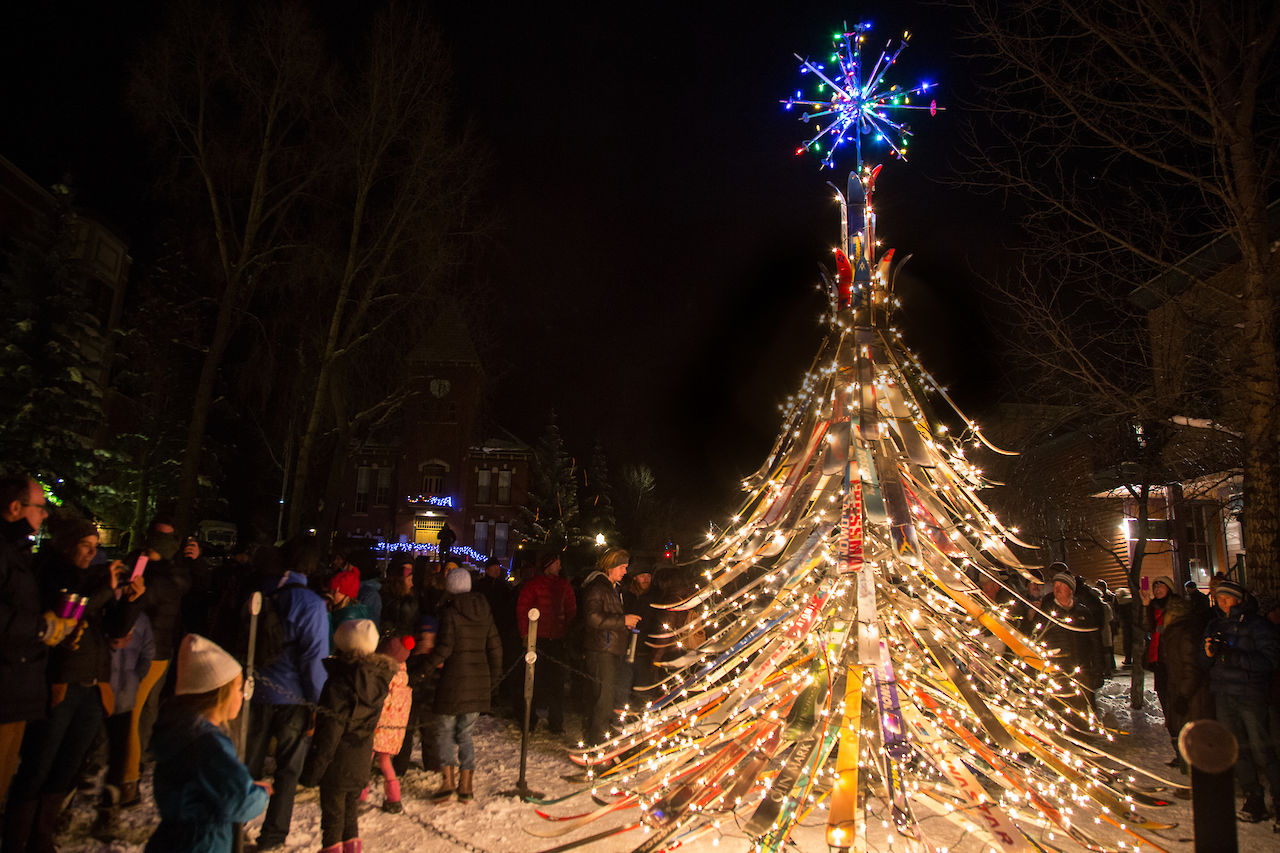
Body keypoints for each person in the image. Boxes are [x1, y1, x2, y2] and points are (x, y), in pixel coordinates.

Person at [4, 515, 143, 853]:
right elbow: (69, 615)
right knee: (39, 763)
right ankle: (15, 839)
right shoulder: (51, 573)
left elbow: (113, 629)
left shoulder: (90, 580)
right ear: (67, 544)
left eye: (96, 547)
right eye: (86, 545)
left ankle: (42, 836)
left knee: (68, 764)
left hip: (94, 684)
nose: (92, 553)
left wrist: (129, 601)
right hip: (61, 682)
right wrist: (105, 590)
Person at [145, 634, 269, 853]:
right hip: (203, 842)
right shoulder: (209, 744)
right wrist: (259, 795)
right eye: (239, 688)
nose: (242, 695)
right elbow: (238, 800)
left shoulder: (178, 730)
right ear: (220, 694)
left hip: (171, 838)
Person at [245, 536, 329, 852]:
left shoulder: (263, 592)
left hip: (255, 689)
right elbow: (313, 660)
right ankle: (273, 835)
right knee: (288, 770)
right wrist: (317, 702)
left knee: (247, 764)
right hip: (292, 695)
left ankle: (233, 825)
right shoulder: (311, 604)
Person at [0, 475, 71, 807]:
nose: (44, 515)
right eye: (40, 507)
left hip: (17, 687)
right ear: (16, 508)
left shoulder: (19, 553)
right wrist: (40, 626)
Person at [299, 619, 395, 853]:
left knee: (332, 825)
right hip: (359, 761)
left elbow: (329, 733)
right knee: (350, 821)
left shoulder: (340, 682)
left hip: (336, 766)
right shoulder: (376, 680)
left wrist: (313, 770)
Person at [124, 522, 194, 807]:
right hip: (156, 652)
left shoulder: (157, 578)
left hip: (146, 654)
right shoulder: (170, 573)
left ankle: (128, 777)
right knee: (140, 709)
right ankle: (134, 764)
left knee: (130, 713)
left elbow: (134, 605)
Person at [1200, 579, 1280, 823]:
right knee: (1236, 748)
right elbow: (1204, 663)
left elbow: (1270, 660)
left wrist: (1233, 655)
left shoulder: (1257, 625)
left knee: (1261, 748)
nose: (1222, 602)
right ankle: (1253, 797)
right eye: (1219, 597)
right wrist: (1208, 654)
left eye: (1227, 597)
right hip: (1224, 695)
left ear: (1238, 599)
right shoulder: (1215, 625)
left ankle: (1278, 799)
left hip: (1250, 694)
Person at [425, 566, 501, 803]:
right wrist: (494, 679)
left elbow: (444, 650)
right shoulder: (485, 611)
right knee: (466, 734)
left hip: (453, 682)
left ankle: (448, 781)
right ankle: (466, 785)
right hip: (478, 682)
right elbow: (495, 648)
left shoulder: (450, 612)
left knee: (445, 732)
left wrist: (421, 671)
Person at [92, 610, 155, 840]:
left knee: (119, 754)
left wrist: (134, 679)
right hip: (98, 692)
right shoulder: (104, 610)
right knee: (84, 750)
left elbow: (148, 652)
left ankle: (109, 811)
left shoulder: (140, 618)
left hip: (125, 696)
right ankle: (65, 806)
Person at [579, 548, 641, 747]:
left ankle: (598, 741)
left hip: (610, 649)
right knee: (602, 701)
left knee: (605, 699)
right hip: (601, 650)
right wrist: (623, 620)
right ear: (611, 566)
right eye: (622, 567)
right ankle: (596, 745)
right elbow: (592, 618)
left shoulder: (613, 588)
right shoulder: (598, 588)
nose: (625, 572)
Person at [515, 552, 577, 733]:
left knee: (555, 683)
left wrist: (567, 633)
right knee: (533, 681)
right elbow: (523, 611)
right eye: (557, 563)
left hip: (556, 640)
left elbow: (571, 610)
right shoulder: (533, 585)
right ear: (549, 565)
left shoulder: (563, 586)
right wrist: (526, 635)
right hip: (538, 641)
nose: (560, 567)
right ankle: (530, 720)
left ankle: (555, 722)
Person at [1035, 570, 1101, 725]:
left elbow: (1095, 641)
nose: (1057, 590)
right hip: (1058, 671)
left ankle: (1084, 739)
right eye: (1055, 586)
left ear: (1070, 590)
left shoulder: (1083, 612)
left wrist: (1098, 667)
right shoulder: (1047, 613)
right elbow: (1037, 639)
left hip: (1081, 670)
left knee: (1082, 710)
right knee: (1060, 710)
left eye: (1061, 586)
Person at [364, 634, 414, 813]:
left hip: (378, 728)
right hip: (393, 732)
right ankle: (394, 798)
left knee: (365, 760)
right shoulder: (404, 677)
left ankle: (359, 797)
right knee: (385, 762)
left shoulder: (384, 677)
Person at [1142, 575, 1182, 760]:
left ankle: (1184, 753)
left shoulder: (1176, 607)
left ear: (1169, 588)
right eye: (1155, 586)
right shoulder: (1152, 607)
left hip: (1173, 662)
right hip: (1158, 660)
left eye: (1161, 586)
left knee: (1176, 708)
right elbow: (1146, 627)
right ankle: (1178, 750)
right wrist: (1145, 606)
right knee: (1165, 702)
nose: (1157, 589)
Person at [327, 566, 373, 638]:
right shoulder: (347, 610)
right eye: (332, 591)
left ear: (347, 595)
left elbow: (333, 640)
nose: (332, 595)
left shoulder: (347, 617)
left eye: (336, 592)